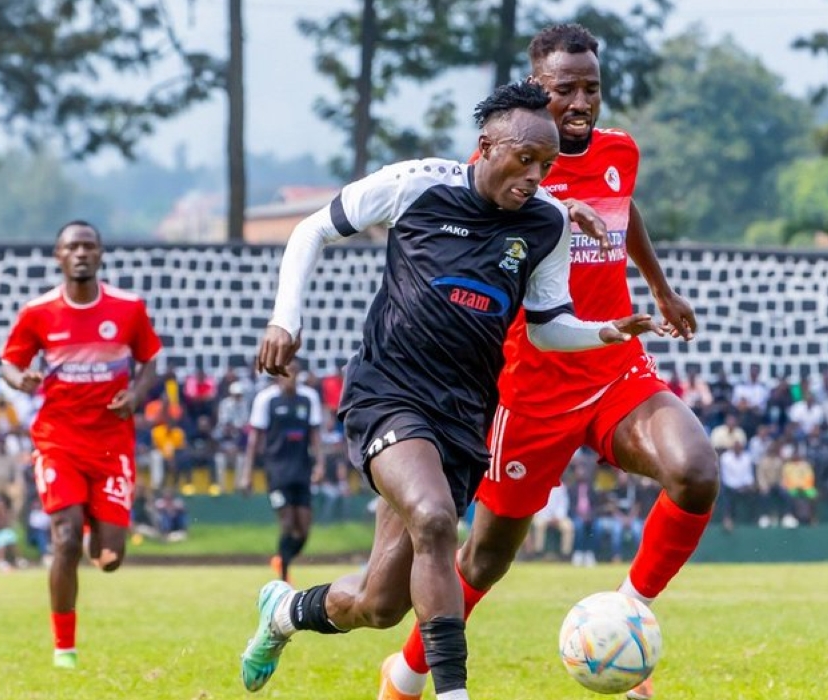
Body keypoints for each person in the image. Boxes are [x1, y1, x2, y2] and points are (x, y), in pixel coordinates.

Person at [237, 80, 659, 700]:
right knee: (436, 519)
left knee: (381, 604)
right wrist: (285, 319)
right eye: (524, 160)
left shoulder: (543, 226)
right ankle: (452, 692)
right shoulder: (418, 183)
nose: (536, 176)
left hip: (463, 419)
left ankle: (283, 612)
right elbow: (310, 231)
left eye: (546, 166)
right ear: (486, 146)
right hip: (388, 393)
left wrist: (606, 333)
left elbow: (547, 331)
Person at [381, 24, 718, 700]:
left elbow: (624, 208)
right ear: (538, 91)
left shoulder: (622, 151)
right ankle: (407, 674)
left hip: (614, 369)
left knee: (695, 469)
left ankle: (626, 619)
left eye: (592, 87)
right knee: (485, 559)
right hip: (527, 391)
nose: (581, 102)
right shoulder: (510, 167)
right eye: (565, 89)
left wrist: (659, 286)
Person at [0, 220, 161, 668]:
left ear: (101, 253)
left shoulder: (128, 308)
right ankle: (64, 650)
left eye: (89, 245)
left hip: (112, 446)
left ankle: (94, 516)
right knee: (65, 539)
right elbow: (9, 364)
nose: (81, 253)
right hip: (59, 440)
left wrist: (137, 394)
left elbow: (149, 362)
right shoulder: (39, 312)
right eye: (73, 247)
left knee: (108, 558)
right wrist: (23, 379)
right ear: (59, 256)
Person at [238, 357, 325, 582]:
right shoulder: (266, 399)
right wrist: (247, 473)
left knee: (303, 529)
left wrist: (320, 464)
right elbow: (254, 439)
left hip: (301, 470)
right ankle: (284, 577)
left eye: (295, 371)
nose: (291, 376)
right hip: (277, 470)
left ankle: (281, 558)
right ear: (278, 374)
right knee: (287, 523)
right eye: (287, 371)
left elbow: (315, 435)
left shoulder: (309, 398)